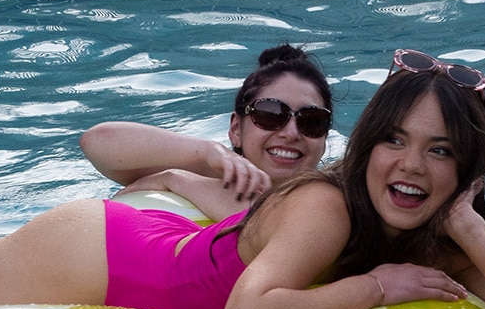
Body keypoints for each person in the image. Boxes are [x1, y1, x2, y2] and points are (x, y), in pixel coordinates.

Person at [0, 50, 485, 309]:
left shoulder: (438, 231)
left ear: (466, 171)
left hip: (181, 244)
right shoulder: (327, 207)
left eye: (440, 151)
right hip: (100, 257)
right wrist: (377, 288)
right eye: (394, 139)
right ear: (366, 144)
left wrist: (469, 226)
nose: (411, 164)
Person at [79, 43, 334, 222]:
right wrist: (205, 152)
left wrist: (173, 180)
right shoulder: (208, 170)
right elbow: (96, 142)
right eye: (270, 114)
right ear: (236, 129)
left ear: (324, 139)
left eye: (312, 120)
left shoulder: (335, 195)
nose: (291, 133)